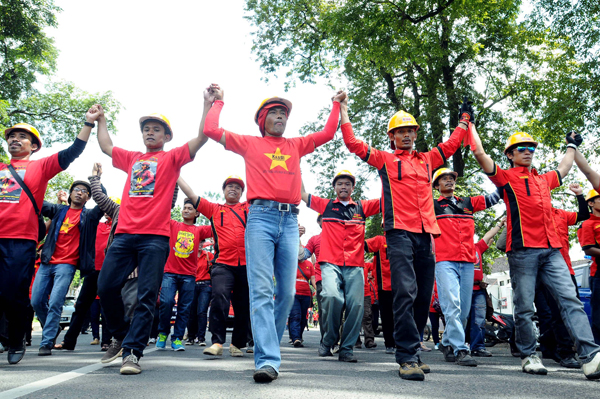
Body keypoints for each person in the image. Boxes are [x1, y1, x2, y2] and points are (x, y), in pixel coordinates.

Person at [202, 83, 345, 382]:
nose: (281, 117)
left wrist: (335, 104)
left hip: (290, 220)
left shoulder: (295, 145)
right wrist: (218, 102)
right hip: (260, 219)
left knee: (288, 292)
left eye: (284, 113)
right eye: (275, 112)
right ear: (263, 118)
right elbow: (213, 130)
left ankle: (268, 346)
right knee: (262, 290)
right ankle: (267, 359)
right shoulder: (249, 143)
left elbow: (328, 133)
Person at [341, 94, 470, 380]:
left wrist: (463, 121)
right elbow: (353, 144)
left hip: (426, 234)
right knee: (405, 292)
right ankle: (406, 356)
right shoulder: (385, 160)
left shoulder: (428, 160)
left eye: (411, 130)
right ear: (392, 137)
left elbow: (450, 145)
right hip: (398, 233)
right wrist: (343, 108)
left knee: (423, 296)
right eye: (401, 131)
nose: (407, 135)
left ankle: (415, 350)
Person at [469, 125, 600, 379]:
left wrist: (571, 144)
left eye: (531, 148)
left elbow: (564, 167)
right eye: (521, 148)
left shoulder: (543, 179)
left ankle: (591, 356)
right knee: (524, 306)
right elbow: (480, 155)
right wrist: (469, 125)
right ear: (510, 154)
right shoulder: (505, 178)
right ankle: (529, 355)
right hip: (522, 251)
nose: (528, 151)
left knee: (570, 300)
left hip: (552, 251)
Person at [96, 102, 208, 375]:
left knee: (147, 297)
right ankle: (121, 335)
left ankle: (133, 353)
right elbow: (106, 147)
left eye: (156, 129)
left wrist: (206, 105)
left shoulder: (172, 158)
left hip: (155, 239)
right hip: (124, 235)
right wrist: (100, 120)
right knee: (106, 287)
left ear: (166, 136)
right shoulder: (132, 158)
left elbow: (202, 137)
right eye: (146, 129)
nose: (150, 133)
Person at [0, 107, 98, 364]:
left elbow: (72, 152)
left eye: (22, 137)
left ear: (34, 146)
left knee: (15, 293)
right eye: (12, 136)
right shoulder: (1, 167)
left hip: (21, 239)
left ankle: (16, 338)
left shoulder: (42, 167)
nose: (15, 139)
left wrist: (88, 122)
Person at [301, 170, 381, 363]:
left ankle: (346, 349)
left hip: (354, 265)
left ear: (353, 188)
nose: (343, 187)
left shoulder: (362, 207)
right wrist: (296, 170)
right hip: (330, 263)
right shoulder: (326, 205)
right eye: (340, 184)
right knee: (331, 296)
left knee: (357, 305)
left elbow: (388, 198)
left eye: (347, 184)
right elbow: (302, 195)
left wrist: (386, 173)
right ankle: (328, 340)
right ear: (334, 187)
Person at [431, 167, 502, 366]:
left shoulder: (468, 202)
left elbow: (494, 197)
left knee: (463, 309)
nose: (449, 181)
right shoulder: (432, 206)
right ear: (437, 186)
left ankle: (446, 343)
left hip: (467, 261)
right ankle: (461, 349)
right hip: (444, 261)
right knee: (451, 305)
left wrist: (503, 178)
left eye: (451, 178)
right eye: (444, 179)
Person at [178, 175, 250, 358]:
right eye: (229, 186)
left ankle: (237, 343)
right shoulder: (214, 209)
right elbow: (192, 195)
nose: (233, 189)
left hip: (247, 265)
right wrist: (177, 174)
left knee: (244, 305)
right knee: (219, 298)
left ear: (242, 192)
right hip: (223, 263)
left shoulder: (249, 207)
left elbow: (266, 190)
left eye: (238, 187)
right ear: (224, 191)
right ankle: (217, 342)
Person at [32, 178, 103, 356]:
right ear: (70, 194)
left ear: (88, 198)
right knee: (36, 301)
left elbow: (103, 201)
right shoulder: (58, 210)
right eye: (77, 189)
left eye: (85, 192)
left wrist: (96, 180)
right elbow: (37, 202)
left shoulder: (89, 216)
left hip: (67, 265)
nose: (80, 192)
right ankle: (54, 327)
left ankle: (46, 342)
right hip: (47, 261)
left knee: (56, 302)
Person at [156, 200, 212, 351]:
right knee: (166, 302)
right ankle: (163, 333)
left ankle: (177, 339)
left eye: (190, 208)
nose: (186, 210)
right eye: (184, 208)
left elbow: (217, 225)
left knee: (184, 308)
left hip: (189, 276)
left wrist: (202, 206)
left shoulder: (199, 230)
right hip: (169, 273)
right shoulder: (173, 225)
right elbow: (160, 212)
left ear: (196, 213)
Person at [469, 219, 505, 358]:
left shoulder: (477, 247)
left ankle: (478, 347)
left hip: (478, 289)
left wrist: (500, 225)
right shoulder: (456, 247)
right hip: (463, 290)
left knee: (479, 320)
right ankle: (457, 346)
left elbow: (488, 235)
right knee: (462, 319)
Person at [364, 235, 394, 354]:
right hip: (384, 284)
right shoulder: (380, 240)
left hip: (402, 283)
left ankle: (401, 342)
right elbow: (362, 244)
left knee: (401, 314)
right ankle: (390, 343)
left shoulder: (406, 238)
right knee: (387, 316)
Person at [299, 215, 324, 340]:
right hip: (322, 280)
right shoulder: (314, 239)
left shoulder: (344, 236)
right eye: (323, 217)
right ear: (319, 221)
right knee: (324, 311)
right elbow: (301, 256)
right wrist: (297, 237)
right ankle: (327, 341)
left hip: (342, 278)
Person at [580, 189, 600, 345]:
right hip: (598, 274)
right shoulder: (588, 224)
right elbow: (588, 248)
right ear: (591, 203)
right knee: (599, 315)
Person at [186, 239, 214, 346]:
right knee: (191, 311)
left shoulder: (208, 255)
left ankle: (201, 337)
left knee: (202, 311)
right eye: (198, 241)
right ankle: (191, 337)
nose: (200, 244)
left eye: (202, 242)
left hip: (205, 285)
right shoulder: (188, 256)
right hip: (192, 284)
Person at [289, 257, 315, 347]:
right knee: (296, 316)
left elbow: (313, 279)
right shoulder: (291, 262)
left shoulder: (309, 264)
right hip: (293, 294)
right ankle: (295, 338)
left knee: (303, 318)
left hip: (306, 295)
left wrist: (319, 290)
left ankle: (298, 336)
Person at [355, 260, 377, 349]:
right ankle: (356, 341)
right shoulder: (351, 263)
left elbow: (376, 265)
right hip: (354, 293)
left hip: (366, 294)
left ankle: (369, 341)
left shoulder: (366, 265)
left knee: (367, 316)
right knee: (355, 317)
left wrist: (375, 255)